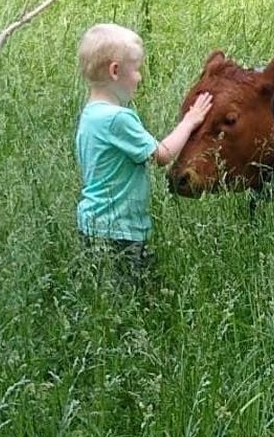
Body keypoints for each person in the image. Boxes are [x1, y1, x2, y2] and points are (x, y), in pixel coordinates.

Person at [74, 22, 212, 283]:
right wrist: (190, 121)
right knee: (126, 294)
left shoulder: (90, 115)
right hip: (118, 230)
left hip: (92, 224)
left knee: (105, 295)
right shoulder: (117, 119)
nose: (140, 77)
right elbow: (161, 155)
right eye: (136, 70)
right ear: (115, 71)